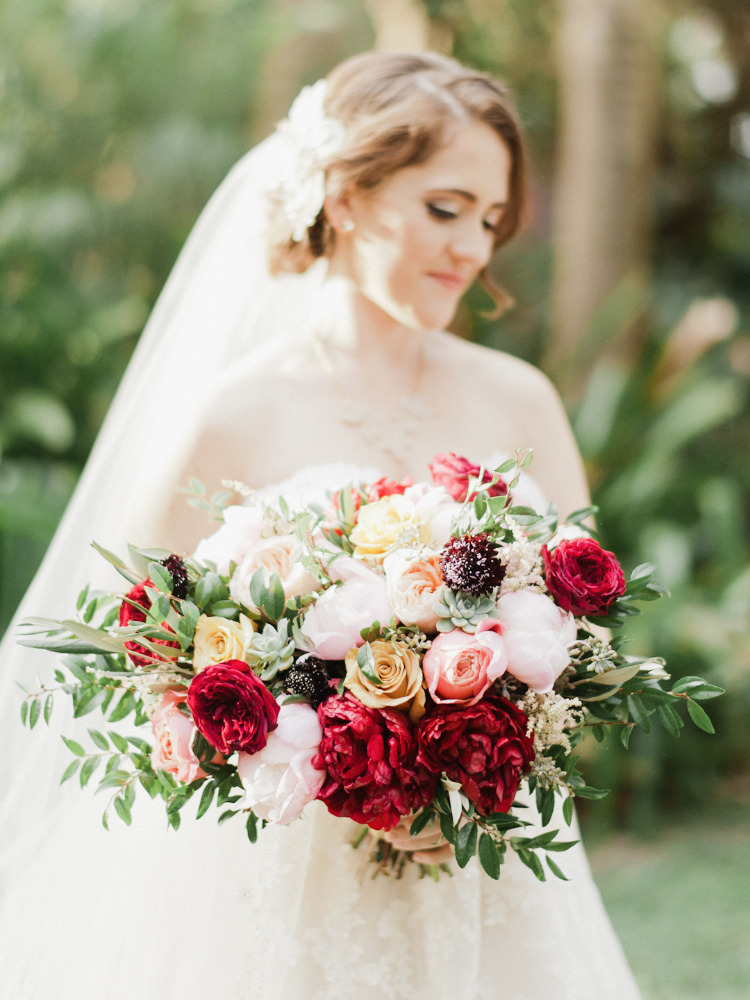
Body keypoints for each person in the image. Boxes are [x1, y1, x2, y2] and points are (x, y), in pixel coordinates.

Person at [0, 51, 643, 998]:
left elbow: (588, 649)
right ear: (346, 195)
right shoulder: (229, 415)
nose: (474, 246)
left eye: (492, 218)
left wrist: (468, 767)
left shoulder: (521, 401)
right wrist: (324, 765)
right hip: (281, 883)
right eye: (445, 207)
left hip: (483, 874)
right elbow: (140, 663)